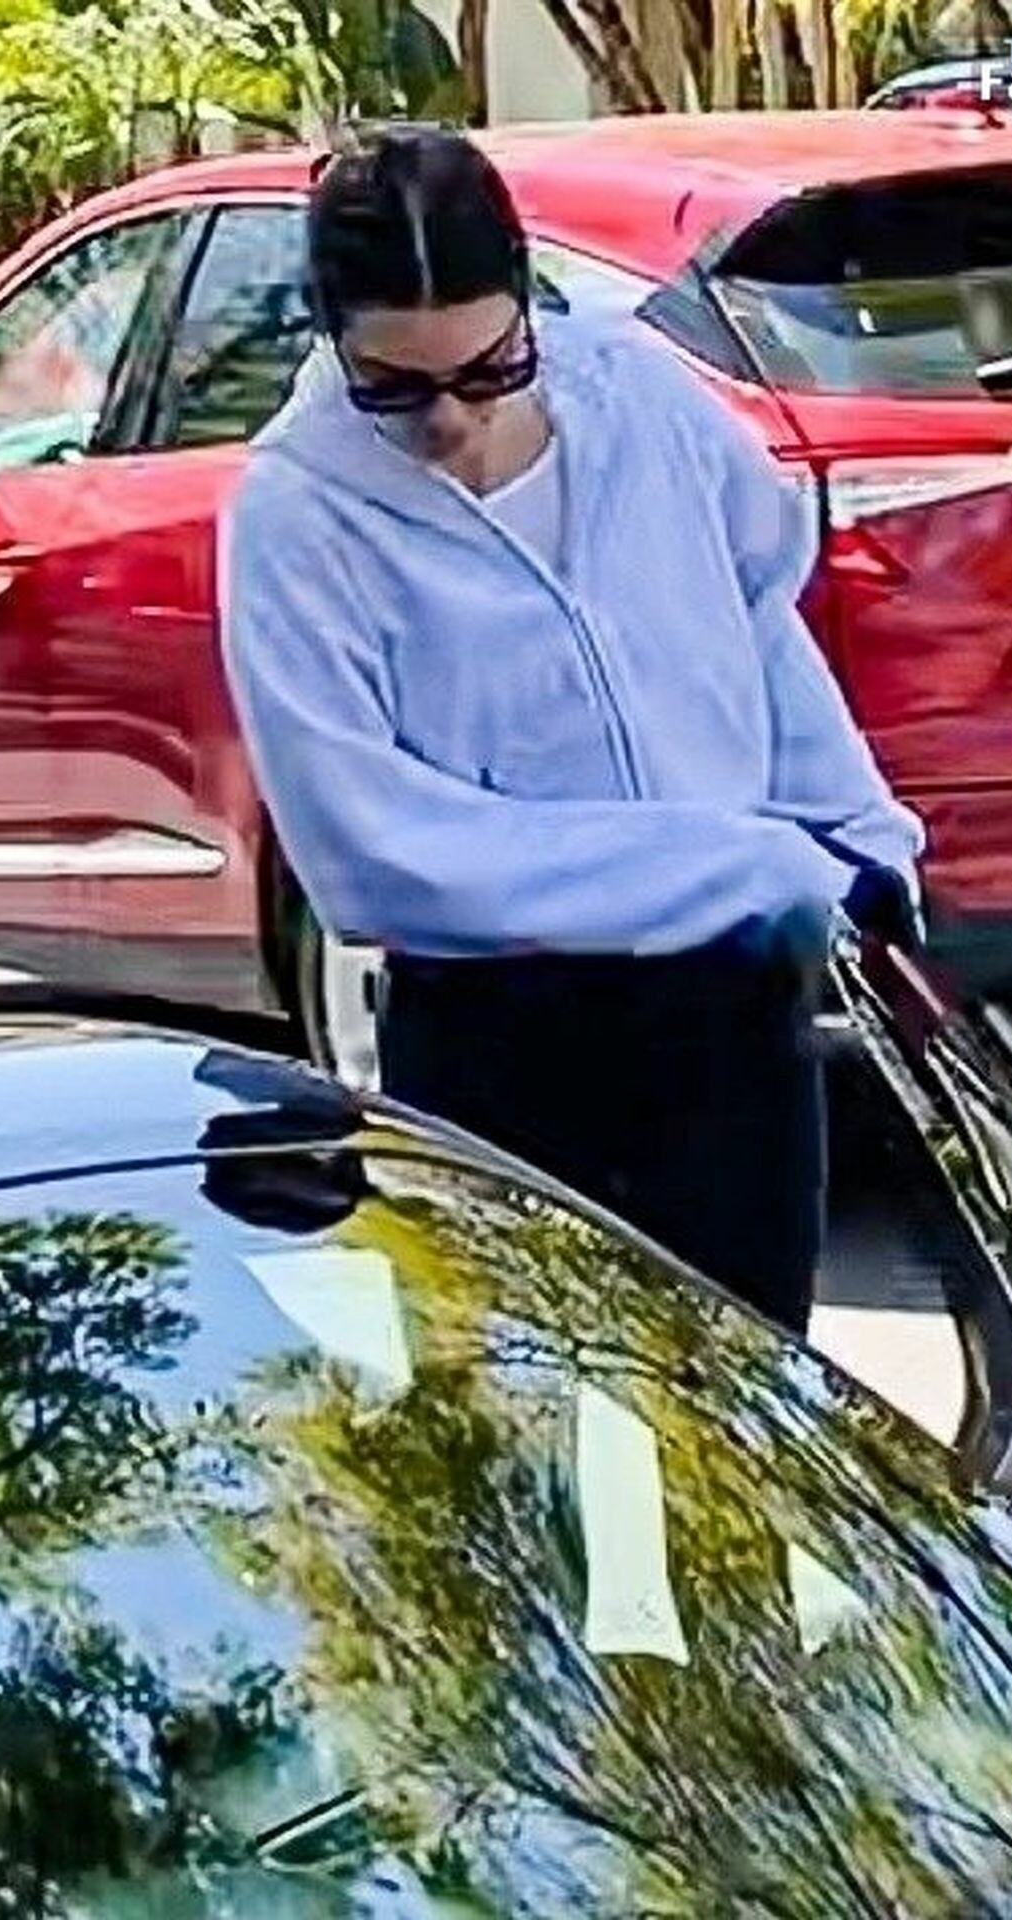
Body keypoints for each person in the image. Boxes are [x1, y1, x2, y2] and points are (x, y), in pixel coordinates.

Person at [220, 129, 923, 1337]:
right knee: (530, 1418)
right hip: (502, 1041)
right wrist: (741, 863)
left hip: (728, 1020)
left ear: (526, 303)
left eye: (487, 369)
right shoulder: (297, 518)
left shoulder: (639, 401)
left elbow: (759, 624)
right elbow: (370, 854)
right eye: (394, 388)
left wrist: (858, 834)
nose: (451, 419)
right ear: (330, 338)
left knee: (750, 1399)